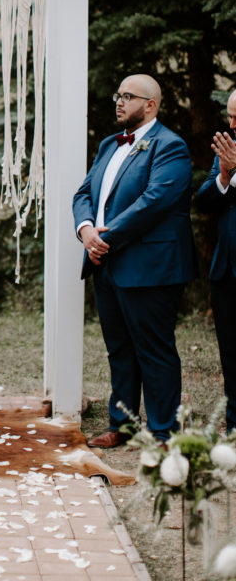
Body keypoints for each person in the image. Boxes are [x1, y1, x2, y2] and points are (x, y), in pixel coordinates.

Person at [72, 74, 197, 447]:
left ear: (151, 105)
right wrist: (86, 230)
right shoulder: (110, 144)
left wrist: (104, 238)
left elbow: (156, 201)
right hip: (106, 263)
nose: (119, 102)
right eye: (118, 95)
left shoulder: (170, 146)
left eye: (129, 96)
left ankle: (163, 432)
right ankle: (122, 425)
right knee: (119, 349)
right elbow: (84, 193)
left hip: (151, 266)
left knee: (154, 349)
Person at [194, 89, 236, 433]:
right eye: (230, 116)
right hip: (227, 271)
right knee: (231, 354)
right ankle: (234, 426)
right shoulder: (228, 148)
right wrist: (223, 175)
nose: (232, 124)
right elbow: (205, 201)